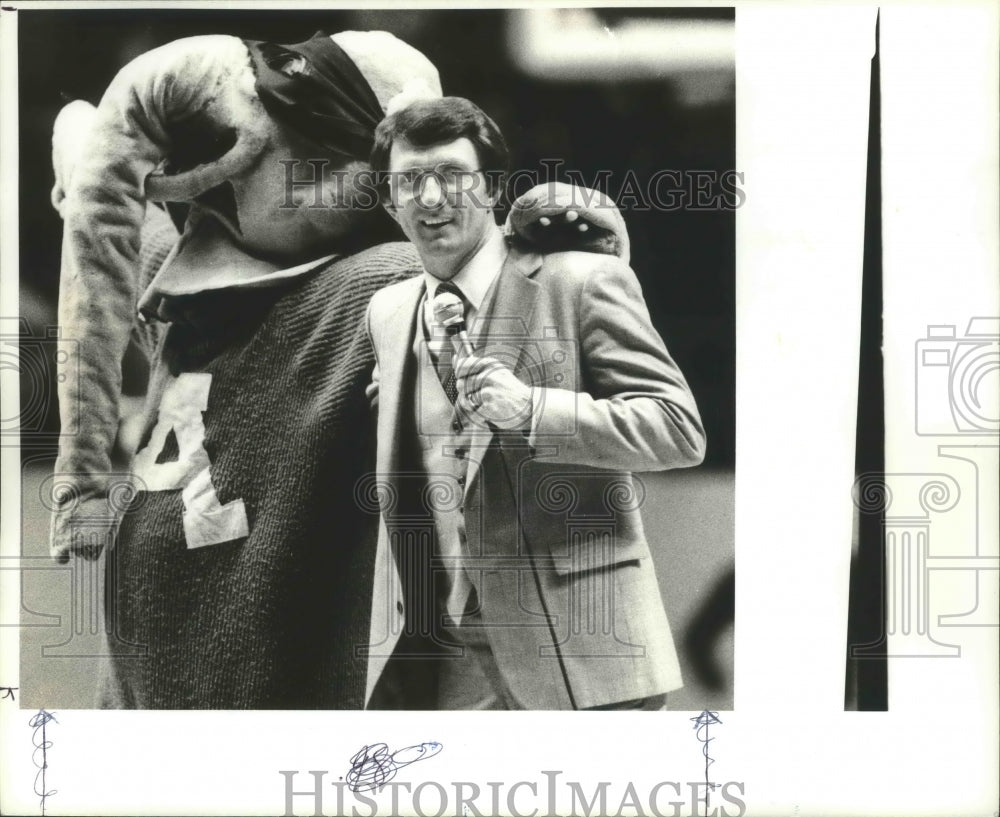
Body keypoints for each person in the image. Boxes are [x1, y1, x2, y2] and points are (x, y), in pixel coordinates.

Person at [362, 96, 707, 710]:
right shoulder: (387, 313)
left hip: (584, 641)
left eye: (452, 175)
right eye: (410, 181)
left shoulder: (578, 281)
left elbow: (678, 429)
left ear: (492, 187)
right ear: (390, 203)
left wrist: (532, 410)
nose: (433, 197)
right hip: (443, 648)